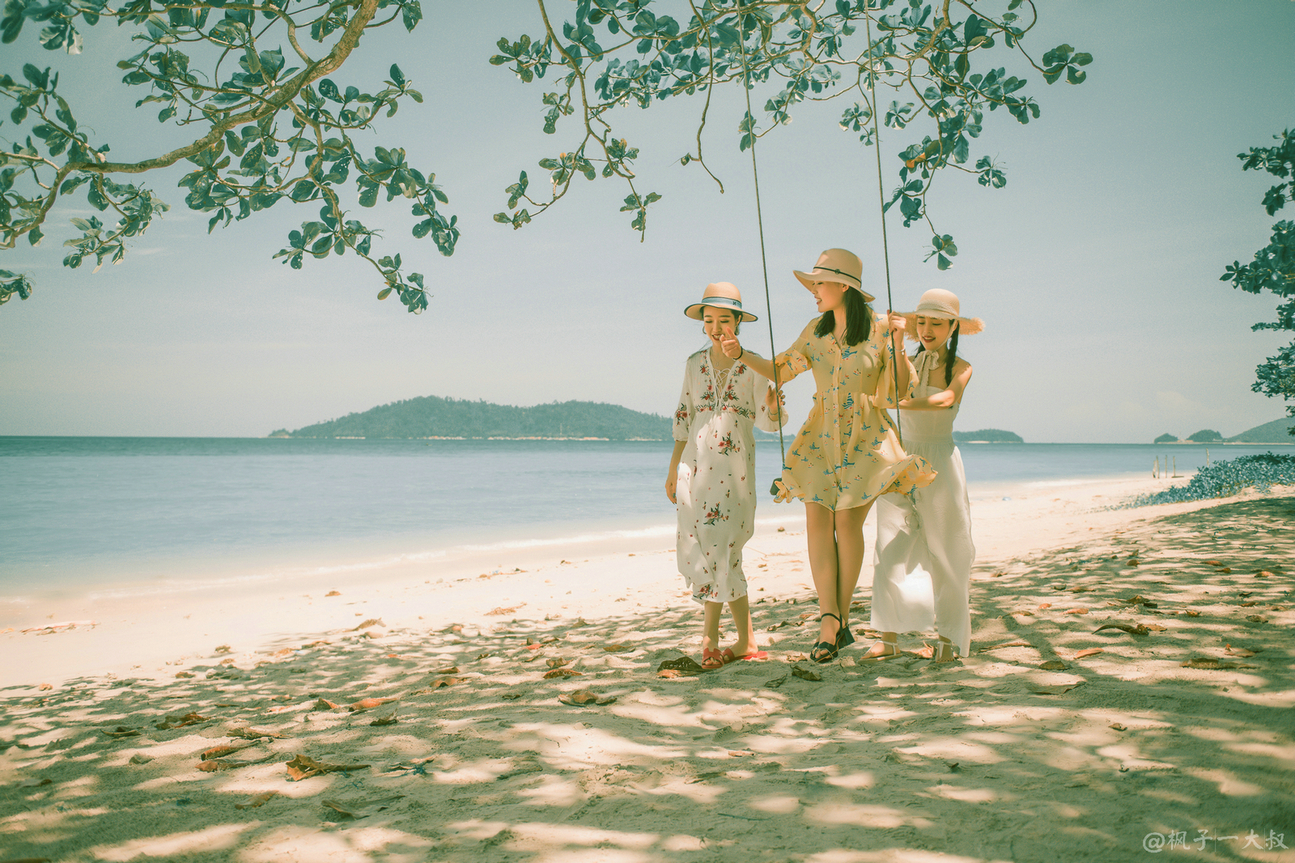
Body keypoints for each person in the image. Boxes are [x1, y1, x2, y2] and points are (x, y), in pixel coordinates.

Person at [739, 249, 936, 663]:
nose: (813, 290)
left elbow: (900, 389)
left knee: (846, 523)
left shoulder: (881, 328)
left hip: (867, 435)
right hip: (820, 435)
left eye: (819, 283)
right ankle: (829, 620)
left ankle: (839, 619)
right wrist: (740, 354)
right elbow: (781, 369)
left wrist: (900, 344)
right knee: (816, 519)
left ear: (843, 285)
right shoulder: (816, 330)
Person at [666, 282, 781, 670]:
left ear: (737, 323)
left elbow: (768, 421)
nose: (716, 327)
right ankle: (746, 640)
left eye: (724, 320)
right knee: (714, 551)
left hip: (734, 471)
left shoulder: (755, 364)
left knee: (722, 546)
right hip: (693, 467)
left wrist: (771, 404)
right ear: (702, 323)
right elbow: (683, 419)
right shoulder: (693, 365)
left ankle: (710, 640)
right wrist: (671, 470)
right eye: (709, 319)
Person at [868, 288, 982, 663]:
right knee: (890, 545)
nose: (928, 329)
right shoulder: (909, 357)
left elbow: (948, 398)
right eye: (922, 322)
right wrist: (898, 344)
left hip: (939, 460)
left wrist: (906, 403)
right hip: (901, 457)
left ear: (953, 327)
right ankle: (889, 637)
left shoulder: (961, 366)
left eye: (937, 323)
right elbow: (898, 385)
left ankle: (949, 640)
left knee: (947, 549)